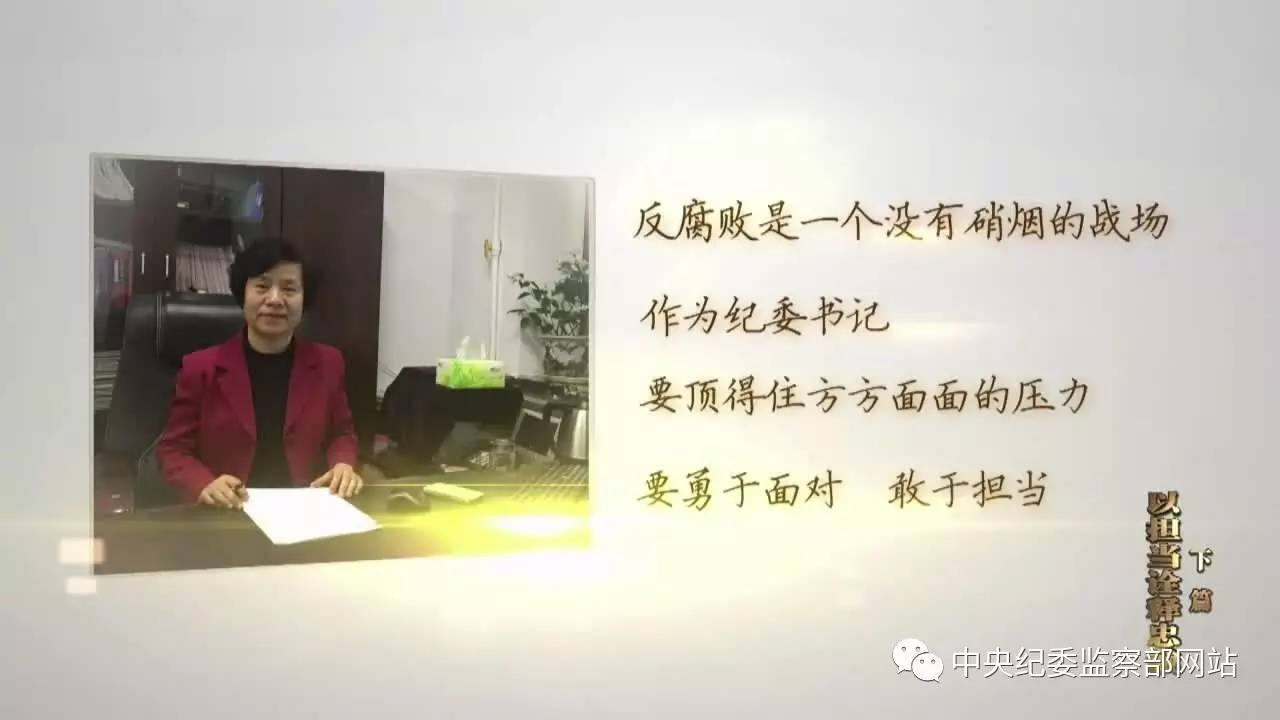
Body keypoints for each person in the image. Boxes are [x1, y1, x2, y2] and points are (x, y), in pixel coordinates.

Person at [156, 238, 364, 508]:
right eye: (262, 287)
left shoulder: (328, 363)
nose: (275, 300)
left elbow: (342, 433)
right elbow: (173, 449)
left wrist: (343, 465)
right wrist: (204, 483)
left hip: (306, 510)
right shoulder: (201, 368)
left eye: (289, 289)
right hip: (229, 511)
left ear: (304, 299)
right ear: (243, 294)